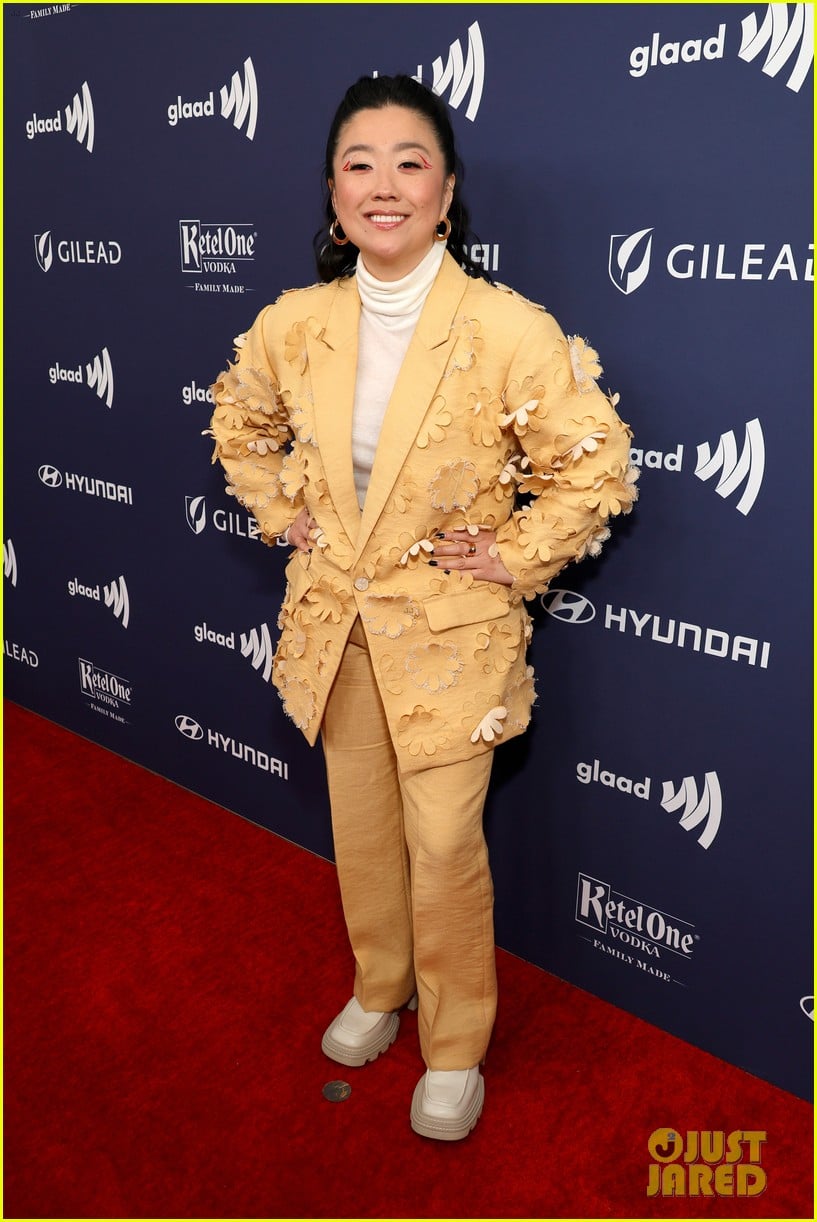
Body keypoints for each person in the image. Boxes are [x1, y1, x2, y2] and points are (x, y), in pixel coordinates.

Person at [208, 73, 637, 1141]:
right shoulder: (296, 323)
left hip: (450, 637)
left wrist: (514, 553)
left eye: (411, 163)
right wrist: (283, 513)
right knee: (362, 830)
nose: (384, 186)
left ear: (445, 193)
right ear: (333, 191)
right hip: (336, 627)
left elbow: (594, 464)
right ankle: (379, 985)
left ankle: (453, 1047)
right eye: (360, 165)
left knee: (443, 845)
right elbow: (238, 420)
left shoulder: (503, 327)